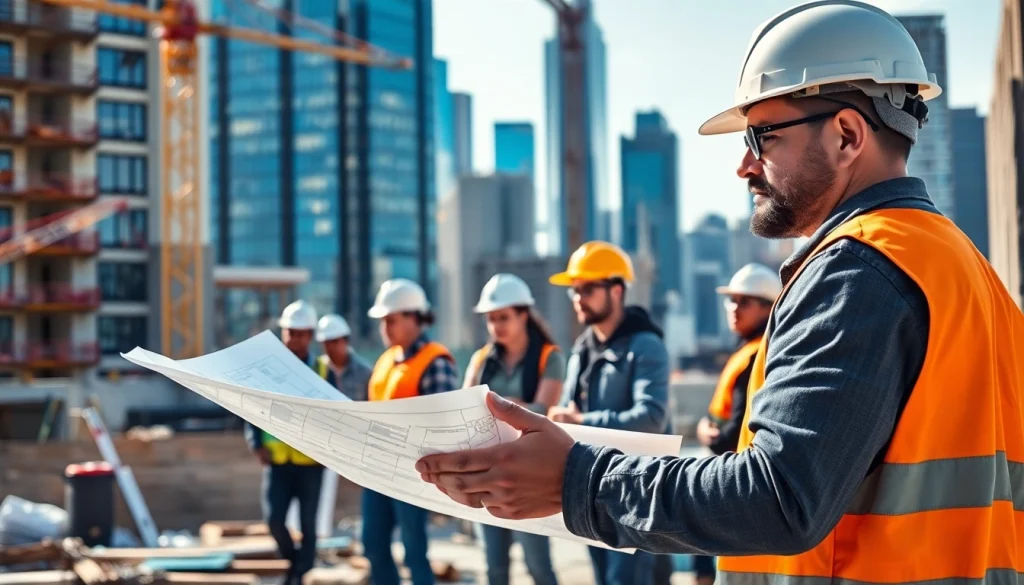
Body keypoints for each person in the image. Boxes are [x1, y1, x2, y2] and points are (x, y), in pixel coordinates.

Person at [413, 2, 1024, 585]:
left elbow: (780, 498)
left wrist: (579, 481)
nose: (744, 166)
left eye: (763, 136)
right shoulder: (967, 271)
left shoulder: (858, 269)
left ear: (845, 135)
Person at [541, 241, 673, 585]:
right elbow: (568, 412)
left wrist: (580, 421)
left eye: (587, 289)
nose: (577, 298)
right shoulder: (581, 351)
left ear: (616, 291)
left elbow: (650, 419)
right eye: (574, 290)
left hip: (638, 493)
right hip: (589, 490)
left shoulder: (646, 346)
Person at [464, 273, 563, 585]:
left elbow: (542, 413)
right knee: (494, 569)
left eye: (503, 317)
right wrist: (514, 404)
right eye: (491, 319)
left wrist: (498, 407)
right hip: (486, 473)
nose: (496, 326)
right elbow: (465, 408)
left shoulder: (550, 357)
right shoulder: (481, 360)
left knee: (539, 567)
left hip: (529, 476)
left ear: (523, 314)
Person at [363, 278, 459, 585]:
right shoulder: (385, 361)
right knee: (373, 545)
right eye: (382, 321)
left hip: (413, 473)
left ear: (414, 318)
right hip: (378, 470)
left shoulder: (435, 362)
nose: (384, 328)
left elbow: (441, 424)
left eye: (391, 320)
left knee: (414, 550)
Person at [692, 263, 781, 585]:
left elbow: (731, 436)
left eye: (745, 301)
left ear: (770, 307)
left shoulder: (757, 355)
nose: (734, 309)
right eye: (732, 300)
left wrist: (705, 432)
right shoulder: (748, 351)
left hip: (730, 476)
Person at [244, 299, 326, 585]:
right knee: (274, 520)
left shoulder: (323, 370)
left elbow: (336, 414)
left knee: (308, 525)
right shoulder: (268, 370)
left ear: (311, 336)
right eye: (291, 332)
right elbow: (252, 406)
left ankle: (298, 575)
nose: (295, 338)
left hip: (310, 462)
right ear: (283, 333)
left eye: (302, 333)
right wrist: (255, 442)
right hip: (277, 461)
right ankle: (295, 567)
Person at [315, 313, 372, 401]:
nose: (330, 347)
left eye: (334, 341)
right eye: (326, 343)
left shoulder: (364, 372)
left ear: (346, 340)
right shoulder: (316, 369)